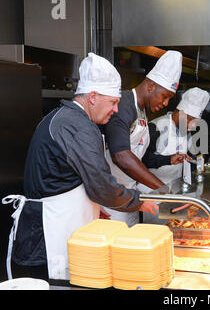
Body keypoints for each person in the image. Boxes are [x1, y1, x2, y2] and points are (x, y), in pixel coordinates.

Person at [1, 52, 158, 281]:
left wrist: (95, 208)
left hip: (49, 227)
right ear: (93, 96)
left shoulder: (65, 117)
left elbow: (67, 177)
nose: (115, 109)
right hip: (50, 234)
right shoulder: (79, 126)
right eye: (113, 102)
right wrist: (139, 202)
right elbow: (101, 185)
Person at [102, 50, 183, 226]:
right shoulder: (123, 106)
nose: (165, 103)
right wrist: (163, 190)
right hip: (110, 202)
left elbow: (140, 157)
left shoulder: (141, 111)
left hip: (130, 196)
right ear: (151, 86)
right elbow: (121, 156)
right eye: (165, 96)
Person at [142, 87, 210, 192]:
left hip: (175, 188)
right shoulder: (155, 128)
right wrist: (168, 160)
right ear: (179, 113)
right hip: (150, 190)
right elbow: (142, 160)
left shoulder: (187, 130)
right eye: (189, 120)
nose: (191, 126)